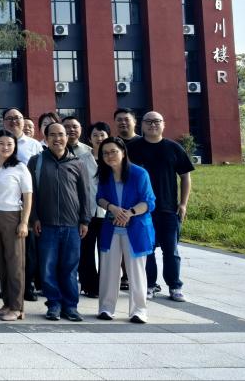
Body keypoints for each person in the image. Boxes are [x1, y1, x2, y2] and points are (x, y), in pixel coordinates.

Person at [128, 111, 195, 302]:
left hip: (168, 208)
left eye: (157, 121)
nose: (153, 125)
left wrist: (183, 204)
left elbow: (185, 177)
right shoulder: (132, 148)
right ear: (142, 125)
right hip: (141, 209)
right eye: (148, 121)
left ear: (163, 124)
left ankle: (175, 286)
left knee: (171, 250)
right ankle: (149, 285)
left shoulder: (173, 148)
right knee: (147, 250)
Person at [28, 123, 92, 322]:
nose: (58, 139)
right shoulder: (36, 161)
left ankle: (70, 306)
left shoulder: (78, 163)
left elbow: (85, 194)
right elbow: (31, 194)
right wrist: (34, 218)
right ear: (46, 138)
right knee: (48, 268)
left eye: (61, 134)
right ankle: (54, 304)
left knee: (70, 268)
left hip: (72, 225)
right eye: (53, 135)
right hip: (46, 225)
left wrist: (85, 220)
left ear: (67, 137)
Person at [95, 137, 157, 323]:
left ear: (123, 152)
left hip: (136, 228)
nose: (110, 156)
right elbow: (100, 198)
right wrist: (112, 208)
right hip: (111, 228)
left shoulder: (139, 174)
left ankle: (139, 311)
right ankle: (106, 308)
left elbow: (149, 201)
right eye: (105, 153)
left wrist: (129, 213)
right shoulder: (104, 174)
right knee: (108, 270)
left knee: (136, 272)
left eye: (113, 151)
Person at [0, 130, 33, 321]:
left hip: (12, 216)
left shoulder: (20, 167)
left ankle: (17, 307)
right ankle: (7, 303)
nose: (5, 147)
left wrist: (24, 222)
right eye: (1, 143)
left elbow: (28, 196)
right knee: (0, 262)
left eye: (10, 144)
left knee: (15, 263)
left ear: (15, 147)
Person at [0, 108, 44, 300]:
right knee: (6, 251)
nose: (13, 121)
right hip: (4, 205)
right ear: (3, 121)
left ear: (24, 121)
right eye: (9, 118)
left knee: (27, 250)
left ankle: (26, 286)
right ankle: (7, 288)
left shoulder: (34, 145)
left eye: (17, 118)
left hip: (28, 203)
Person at [63, 116, 99, 298]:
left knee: (98, 249)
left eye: (74, 126)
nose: (71, 130)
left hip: (94, 207)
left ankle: (96, 284)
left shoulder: (87, 151)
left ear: (81, 130)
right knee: (83, 250)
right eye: (67, 126)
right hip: (71, 208)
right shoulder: (57, 149)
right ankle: (87, 283)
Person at [80, 121, 112, 298]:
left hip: (109, 213)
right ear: (89, 138)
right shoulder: (82, 160)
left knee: (106, 251)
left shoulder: (114, 158)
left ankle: (105, 285)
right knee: (86, 250)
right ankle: (89, 286)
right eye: (95, 135)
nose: (99, 138)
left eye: (102, 135)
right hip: (88, 212)